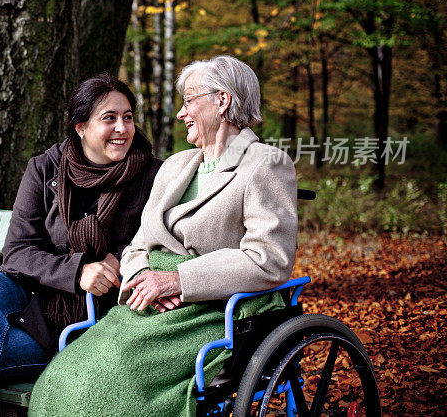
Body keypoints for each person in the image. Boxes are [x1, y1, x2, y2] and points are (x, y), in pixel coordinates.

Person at [29, 55, 298, 417]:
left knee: (112, 386)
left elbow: (270, 259)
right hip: (149, 302)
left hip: (215, 308)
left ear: (222, 101)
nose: (181, 113)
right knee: (62, 375)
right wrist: (142, 275)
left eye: (188, 101)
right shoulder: (175, 166)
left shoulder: (266, 163)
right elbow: (139, 244)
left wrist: (177, 280)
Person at [0, 75, 162, 417]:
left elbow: (155, 237)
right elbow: (17, 252)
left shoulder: (153, 176)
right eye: (109, 118)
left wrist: (122, 255)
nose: (122, 129)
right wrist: (77, 272)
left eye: (127, 117)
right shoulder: (45, 168)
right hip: (36, 298)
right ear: (81, 126)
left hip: (85, 320)